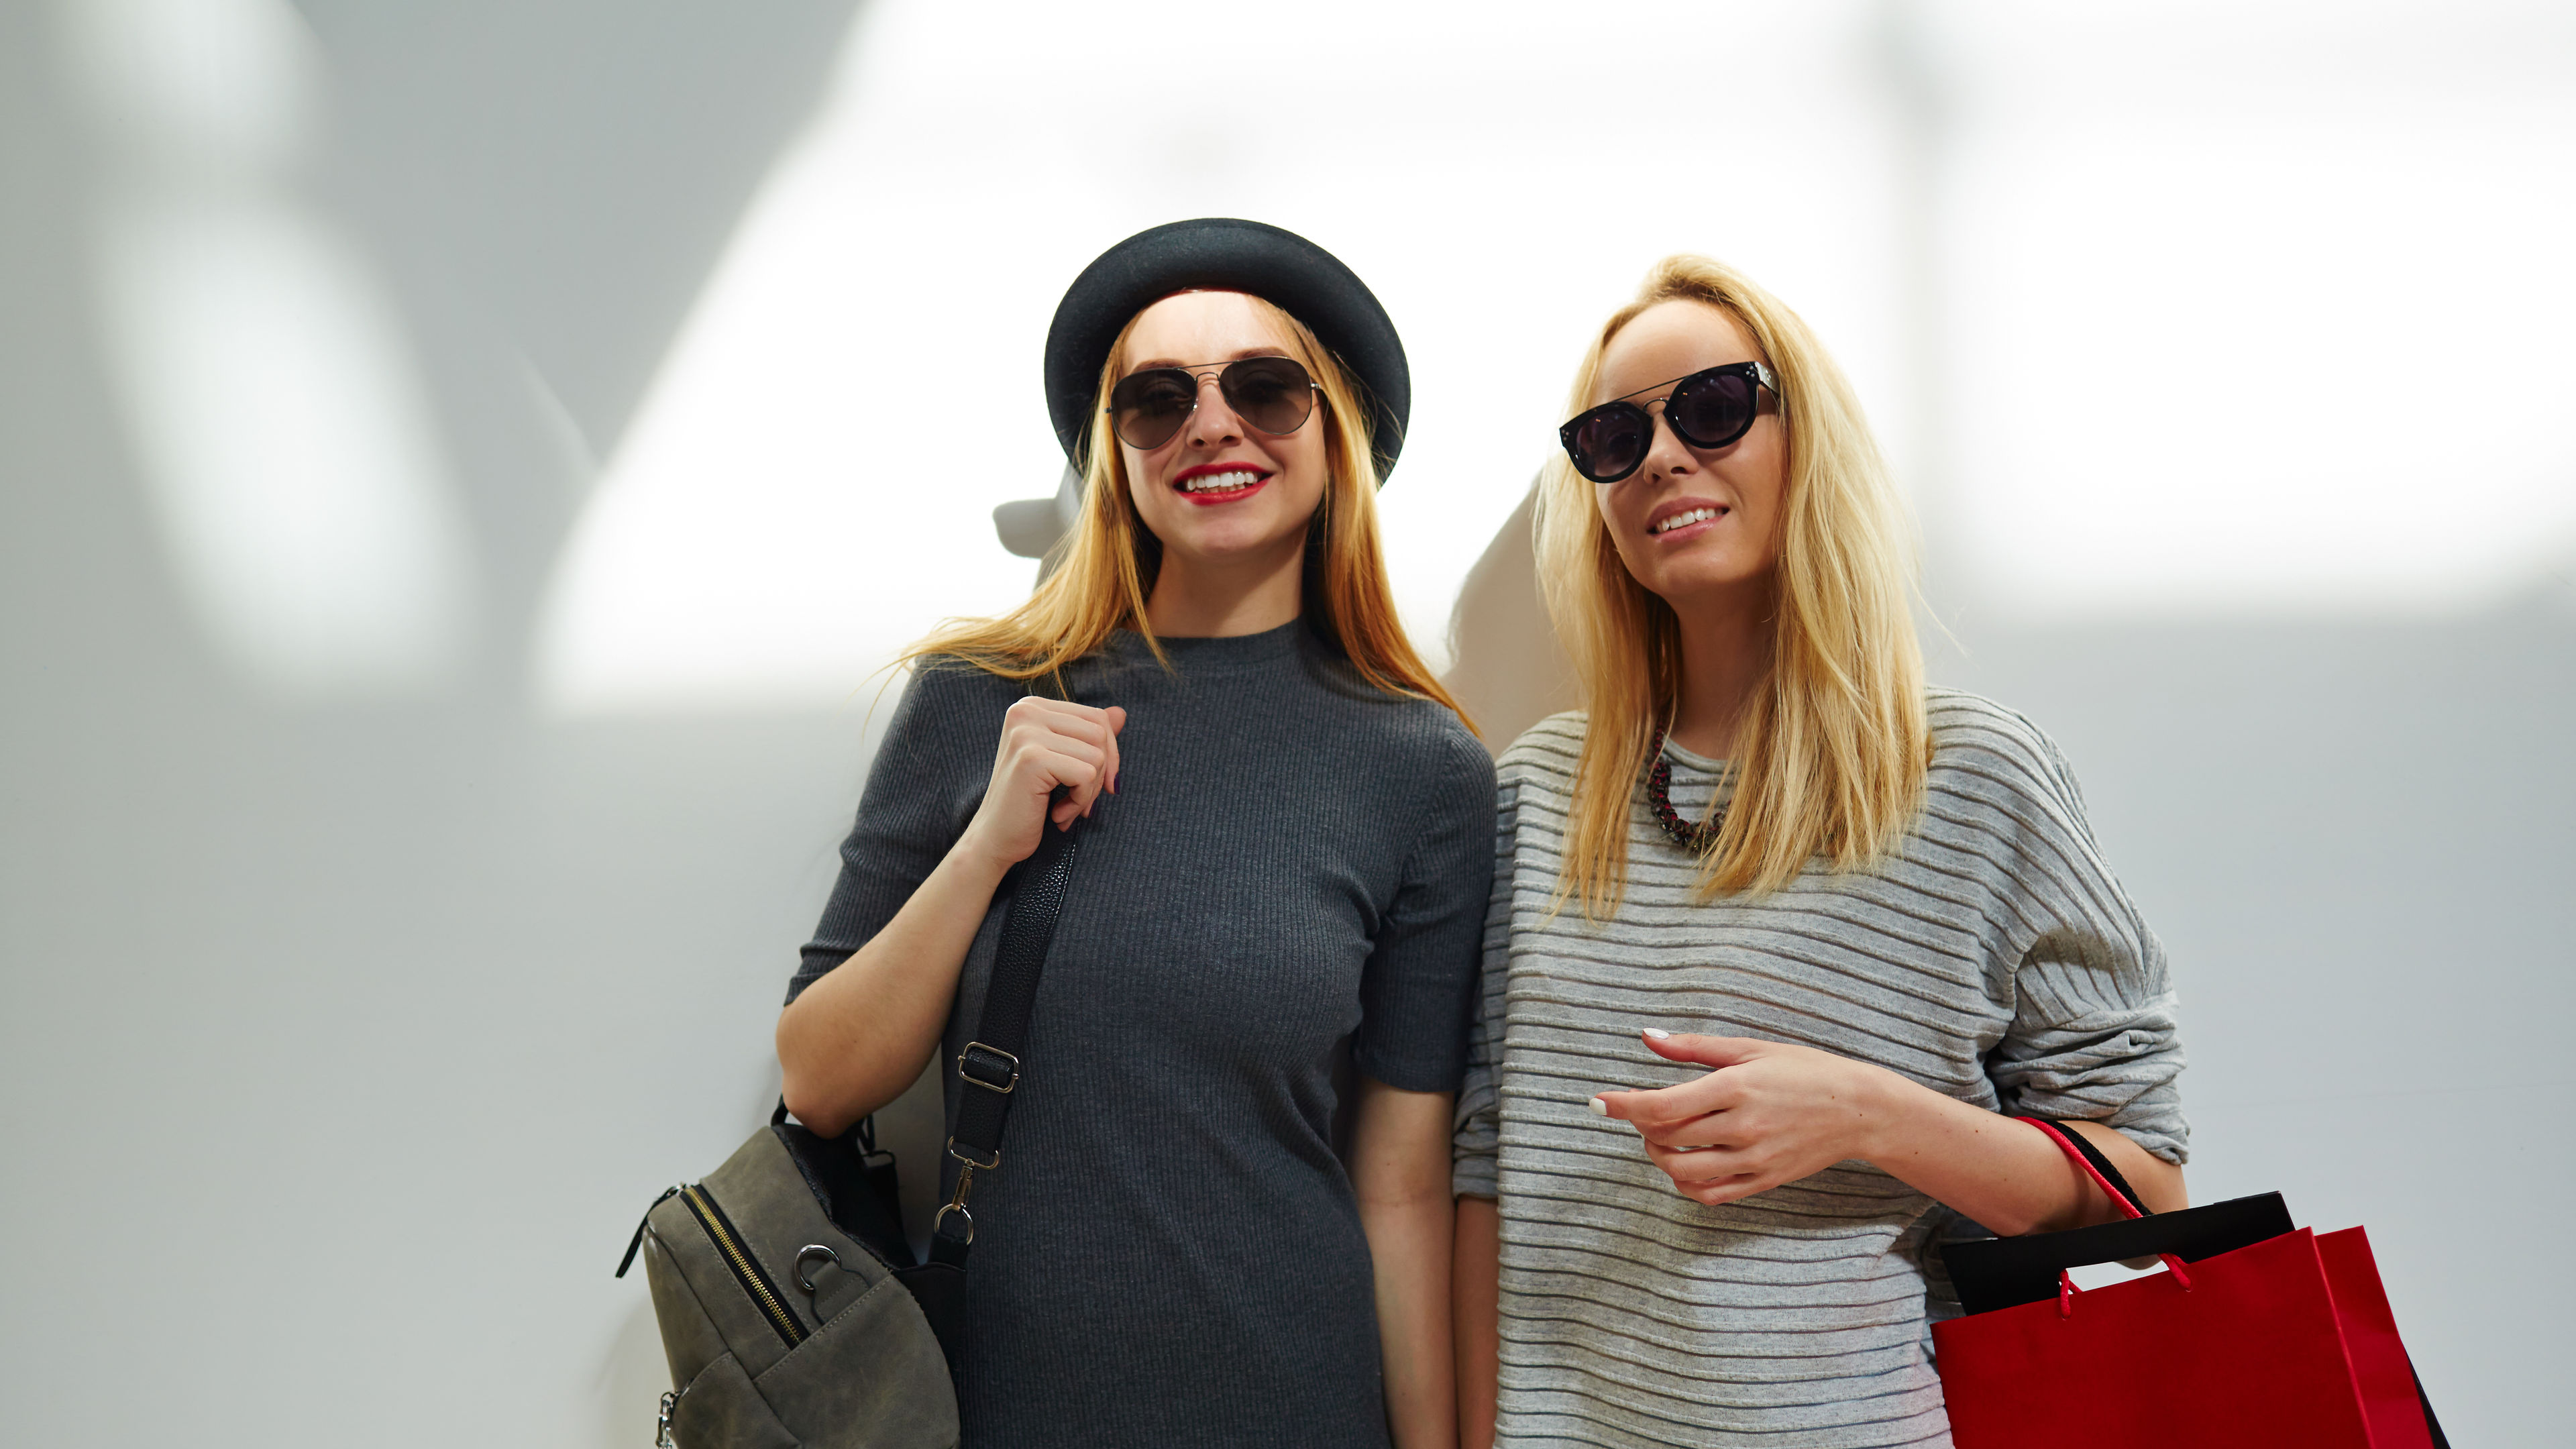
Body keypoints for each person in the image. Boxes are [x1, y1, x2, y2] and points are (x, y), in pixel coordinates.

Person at [1451, 255, 2190, 1448]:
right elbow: (1485, 1171)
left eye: (1712, 408)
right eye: (1611, 435)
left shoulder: (1974, 778)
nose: (1660, 458)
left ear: (1807, 439)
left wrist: (1867, 1114)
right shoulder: (1533, 793)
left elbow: (2146, 1184)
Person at [777, 219, 1493, 1449]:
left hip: (1301, 1404)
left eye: (1265, 387)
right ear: (1115, 453)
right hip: (1008, 1409)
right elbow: (820, 1078)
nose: (1212, 426)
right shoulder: (981, 697)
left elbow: (1404, 1179)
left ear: (1338, 431)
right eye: (1156, 401)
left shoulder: (1424, 769)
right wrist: (989, 845)